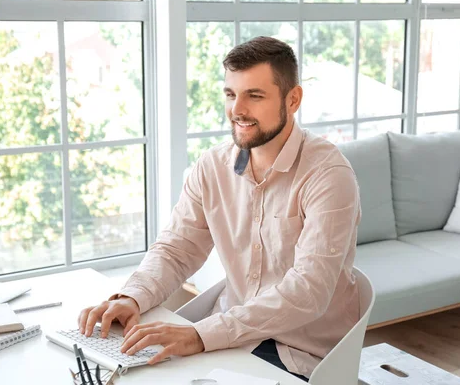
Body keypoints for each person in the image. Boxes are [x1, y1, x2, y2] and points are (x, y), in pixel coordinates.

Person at [78, 36, 361, 382]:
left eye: (254, 96)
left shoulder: (328, 175)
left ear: (293, 99)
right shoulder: (212, 167)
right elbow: (176, 248)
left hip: (299, 354)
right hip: (230, 337)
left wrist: (200, 335)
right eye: (230, 94)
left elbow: (308, 291)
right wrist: (132, 297)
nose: (237, 110)